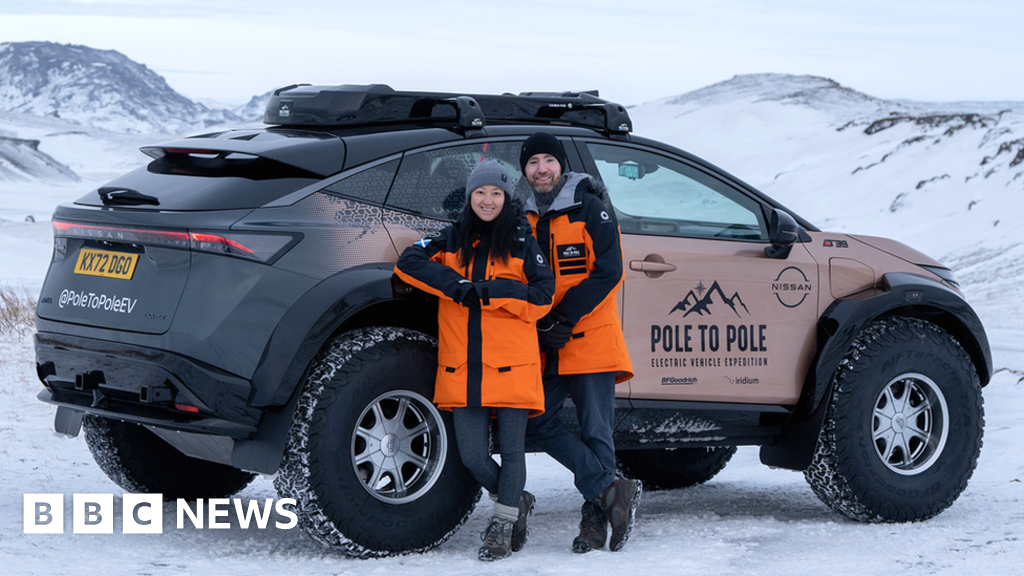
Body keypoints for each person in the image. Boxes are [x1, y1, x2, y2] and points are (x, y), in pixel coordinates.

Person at [394, 160, 555, 561]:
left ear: (506, 198)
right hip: (462, 366)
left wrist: (492, 291)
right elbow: (408, 262)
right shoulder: (450, 238)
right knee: (472, 455)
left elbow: (543, 295)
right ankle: (514, 499)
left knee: (512, 450)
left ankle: (501, 525)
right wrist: (457, 287)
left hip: (513, 363)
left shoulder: (521, 240)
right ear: (470, 197)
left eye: (496, 193)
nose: (487, 200)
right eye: (480, 193)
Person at [518, 132, 641, 553]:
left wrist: (564, 317)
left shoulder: (591, 209)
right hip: (545, 344)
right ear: (525, 171)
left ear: (560, 166)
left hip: (588, 339)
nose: (540, 169)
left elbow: (609, 272)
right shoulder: (523, 220)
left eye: (547, 161)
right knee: (537, 420)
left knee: (596, 432)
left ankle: (595, 522)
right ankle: (609, 488)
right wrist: (541, 324)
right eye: (532, 163)